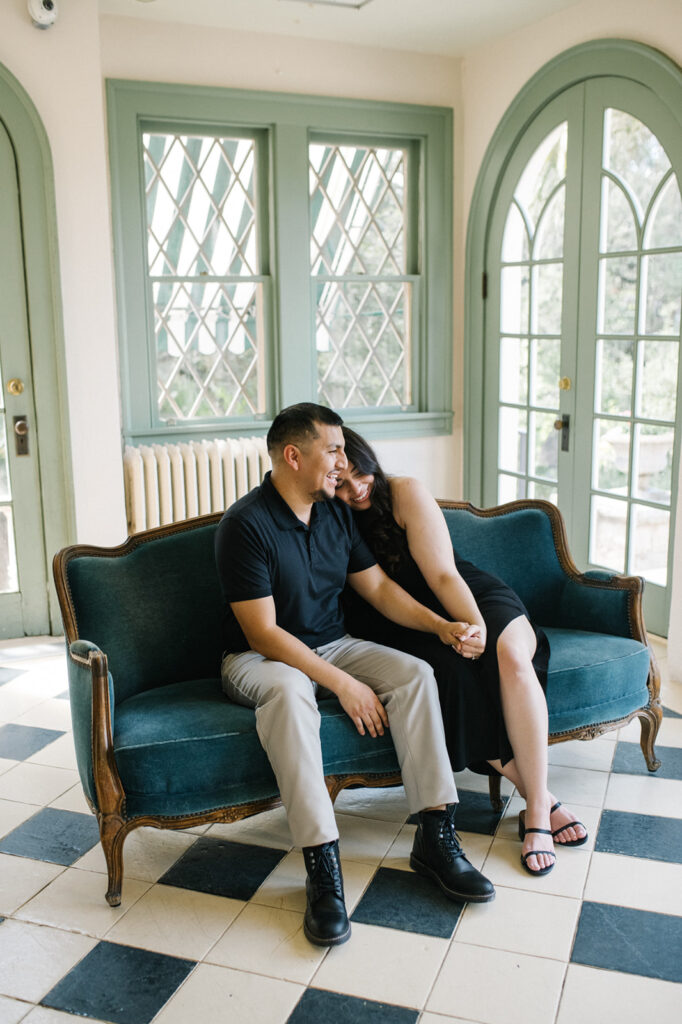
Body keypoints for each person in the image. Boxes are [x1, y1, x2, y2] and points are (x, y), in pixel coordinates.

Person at [214, 403, 494, 949]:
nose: (344, 462)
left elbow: (380, 591)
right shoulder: (244, 525)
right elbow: (264, 634)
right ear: (294, 456)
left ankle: (436, 838)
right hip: (259, 660)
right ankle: (324, 873)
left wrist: (441, 626)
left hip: (333, 644)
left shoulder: (336, 513)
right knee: (293, 691)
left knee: (415, 673)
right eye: (334, 450)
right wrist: (342, 683)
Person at [335, 426, 588, 879]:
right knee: (452, 686)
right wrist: (444, 632)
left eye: (360, 473)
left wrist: (476, 631)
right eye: (341, 482)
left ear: (370, 460)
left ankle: (533, 816)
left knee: (509, 657)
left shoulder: (405, 492)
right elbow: (380, 593)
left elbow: (444, 576)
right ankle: (543, 801)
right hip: (410, 624)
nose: (355, 489)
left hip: (469, 596)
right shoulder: (336, 523)